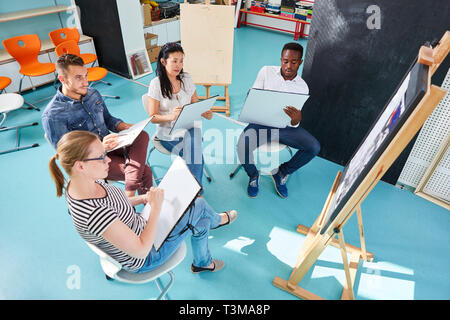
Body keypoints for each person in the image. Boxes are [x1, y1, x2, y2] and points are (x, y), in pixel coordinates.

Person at [48, 130, 238, 274]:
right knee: (199, 207)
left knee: (197, 213)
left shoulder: (79, 183)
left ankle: (204, 261)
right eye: (102, 157)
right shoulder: (94, 214)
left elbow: (117, 205)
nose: (109, 160)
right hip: (146, 256)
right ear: (80, 166)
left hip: (139, 224)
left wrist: (144, 198)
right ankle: (216, 224)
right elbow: (140, 250)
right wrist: (155, 208)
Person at [42, 53, 152, 200]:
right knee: (144, 171)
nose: (86, 82)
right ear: (62, 79)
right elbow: (67, 156)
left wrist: (123, 126)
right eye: (78, 78)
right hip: (93, 160)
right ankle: (133, 200)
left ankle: (130, 196)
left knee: (142, 135)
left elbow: (108, 119)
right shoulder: (53, 115)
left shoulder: (93, 93)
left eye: (85, 75)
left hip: (111, 144)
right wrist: (101, 147)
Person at [237, 42, 320, 199]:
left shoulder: (303, 87)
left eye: (293, 62)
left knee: (314, 147)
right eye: (285, 61)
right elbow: (252, 96)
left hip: (284, 128)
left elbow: (294, 123)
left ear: (300, 62)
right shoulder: (266, 71)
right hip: (260, 123)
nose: (288, 66)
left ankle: (282, 172)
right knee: (242, 145)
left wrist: (296, 120)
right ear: (281, 59)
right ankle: (253, 175)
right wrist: (252, 98)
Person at [146, 42, 213, 190]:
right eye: (174, 61)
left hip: (189, 126)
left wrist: (204, 112)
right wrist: (171, 117)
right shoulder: (155, 84)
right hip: (168, 134)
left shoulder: (186, 78)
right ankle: (197, 192)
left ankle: (193, 192)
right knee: (194, 155)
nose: (179, 65)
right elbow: (152, 117)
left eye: (181, 61)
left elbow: (195, 102)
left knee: (193, 152)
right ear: (163, 62)